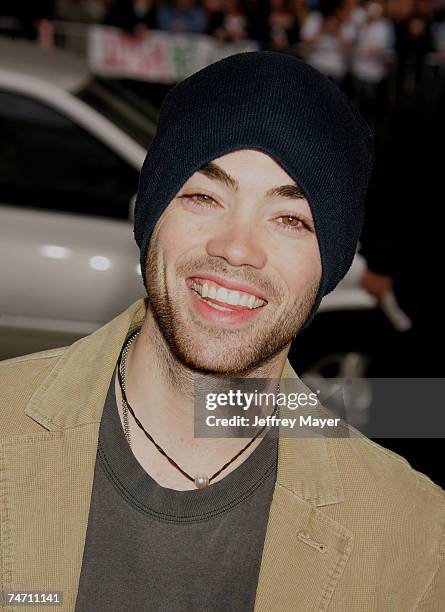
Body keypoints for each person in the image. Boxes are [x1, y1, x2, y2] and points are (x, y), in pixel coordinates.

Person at [0, 51, 444, 611]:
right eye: (204, 197)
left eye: (290, 219)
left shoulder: (416, 536)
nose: (236, 247)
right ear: (151, 216)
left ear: (329, 264)